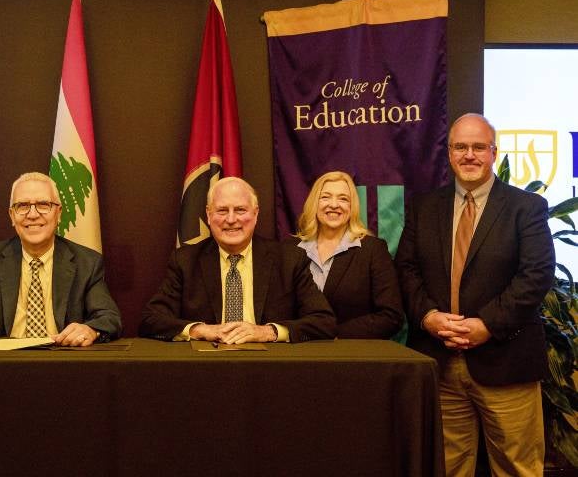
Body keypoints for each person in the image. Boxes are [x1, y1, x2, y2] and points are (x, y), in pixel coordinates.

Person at [396, 113, 554, 477]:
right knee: (448, 467)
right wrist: (428, 317)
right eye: (461, 147)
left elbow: (536, 274)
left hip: (505, 360)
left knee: (518, 468)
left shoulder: (524, 207)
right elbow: (405, 269)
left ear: (493, 152)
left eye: (478, 147)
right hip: (440, 361)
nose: (470, 155)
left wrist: (487, 324)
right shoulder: (425, 206)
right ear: (449, 153)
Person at [139, 176, 336, 343]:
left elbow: (323, 321)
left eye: (240, 210)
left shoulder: (289, 259)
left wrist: (268, 332)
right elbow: (151, 319)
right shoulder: (185, 260)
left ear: (255, 214)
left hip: (272, 368)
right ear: (208, 215)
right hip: (205, 367)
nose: (231, 219)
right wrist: (199, 330)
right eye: (222, 211)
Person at [0, 172, 121, 347]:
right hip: (4, 364)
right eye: (22, 206)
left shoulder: (87, 262)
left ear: (58, 213)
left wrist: (90, 329)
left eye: (43, 204)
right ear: (12, 215)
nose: (33, 214)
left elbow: (109, 317)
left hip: (63, 362)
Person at [286, 170, 404, 339]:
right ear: (314, 203)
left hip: (353, 357)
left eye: (343, 199)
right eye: (325, 197)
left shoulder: (373, 250)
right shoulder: (290, 249)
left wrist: (331, 334)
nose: (334, 204)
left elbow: (391, 316)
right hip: (298, 356)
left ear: (352, 207)